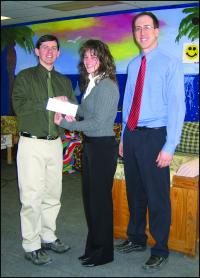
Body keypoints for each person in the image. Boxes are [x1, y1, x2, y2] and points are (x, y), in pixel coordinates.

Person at [116, 12, 186, 271]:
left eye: (147, 27)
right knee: (135, 192)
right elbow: (128, 103)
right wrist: (124, 136)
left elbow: (178, 106)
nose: (142, 32)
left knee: (157, 197)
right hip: (132, 135)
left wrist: (170, 145)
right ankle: (136, 238)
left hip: (156, 136)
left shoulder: (170, 63)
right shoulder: (134, 65)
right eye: (137, 28)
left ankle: (160, 248)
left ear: (157, 31)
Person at [12, 34, 77, 265]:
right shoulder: (24, 77)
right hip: (32, 144)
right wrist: (50, 102)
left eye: (54, 48)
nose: (49, 51)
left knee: (52, 195)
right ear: (37, 52)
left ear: (58, 53)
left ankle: (48, 235)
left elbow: (69, 110)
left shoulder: (64, 81)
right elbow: (19, 106)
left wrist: (70, 114)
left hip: (54, 144)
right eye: (45, 47)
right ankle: (31, 244)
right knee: (31, 196)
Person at [54, 39, 119, 267]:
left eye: (94, 56)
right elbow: (83, 111)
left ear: (103, 59)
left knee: (99, 202)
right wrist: (64, 105)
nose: (89, 60)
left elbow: (97, 122)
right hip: (92, 145)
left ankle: (103, 253)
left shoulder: (107, 85)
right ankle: (93, 248)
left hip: (102, 147)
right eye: (86, 56)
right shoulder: (93, 83)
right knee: (90, 201)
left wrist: (67, 124)